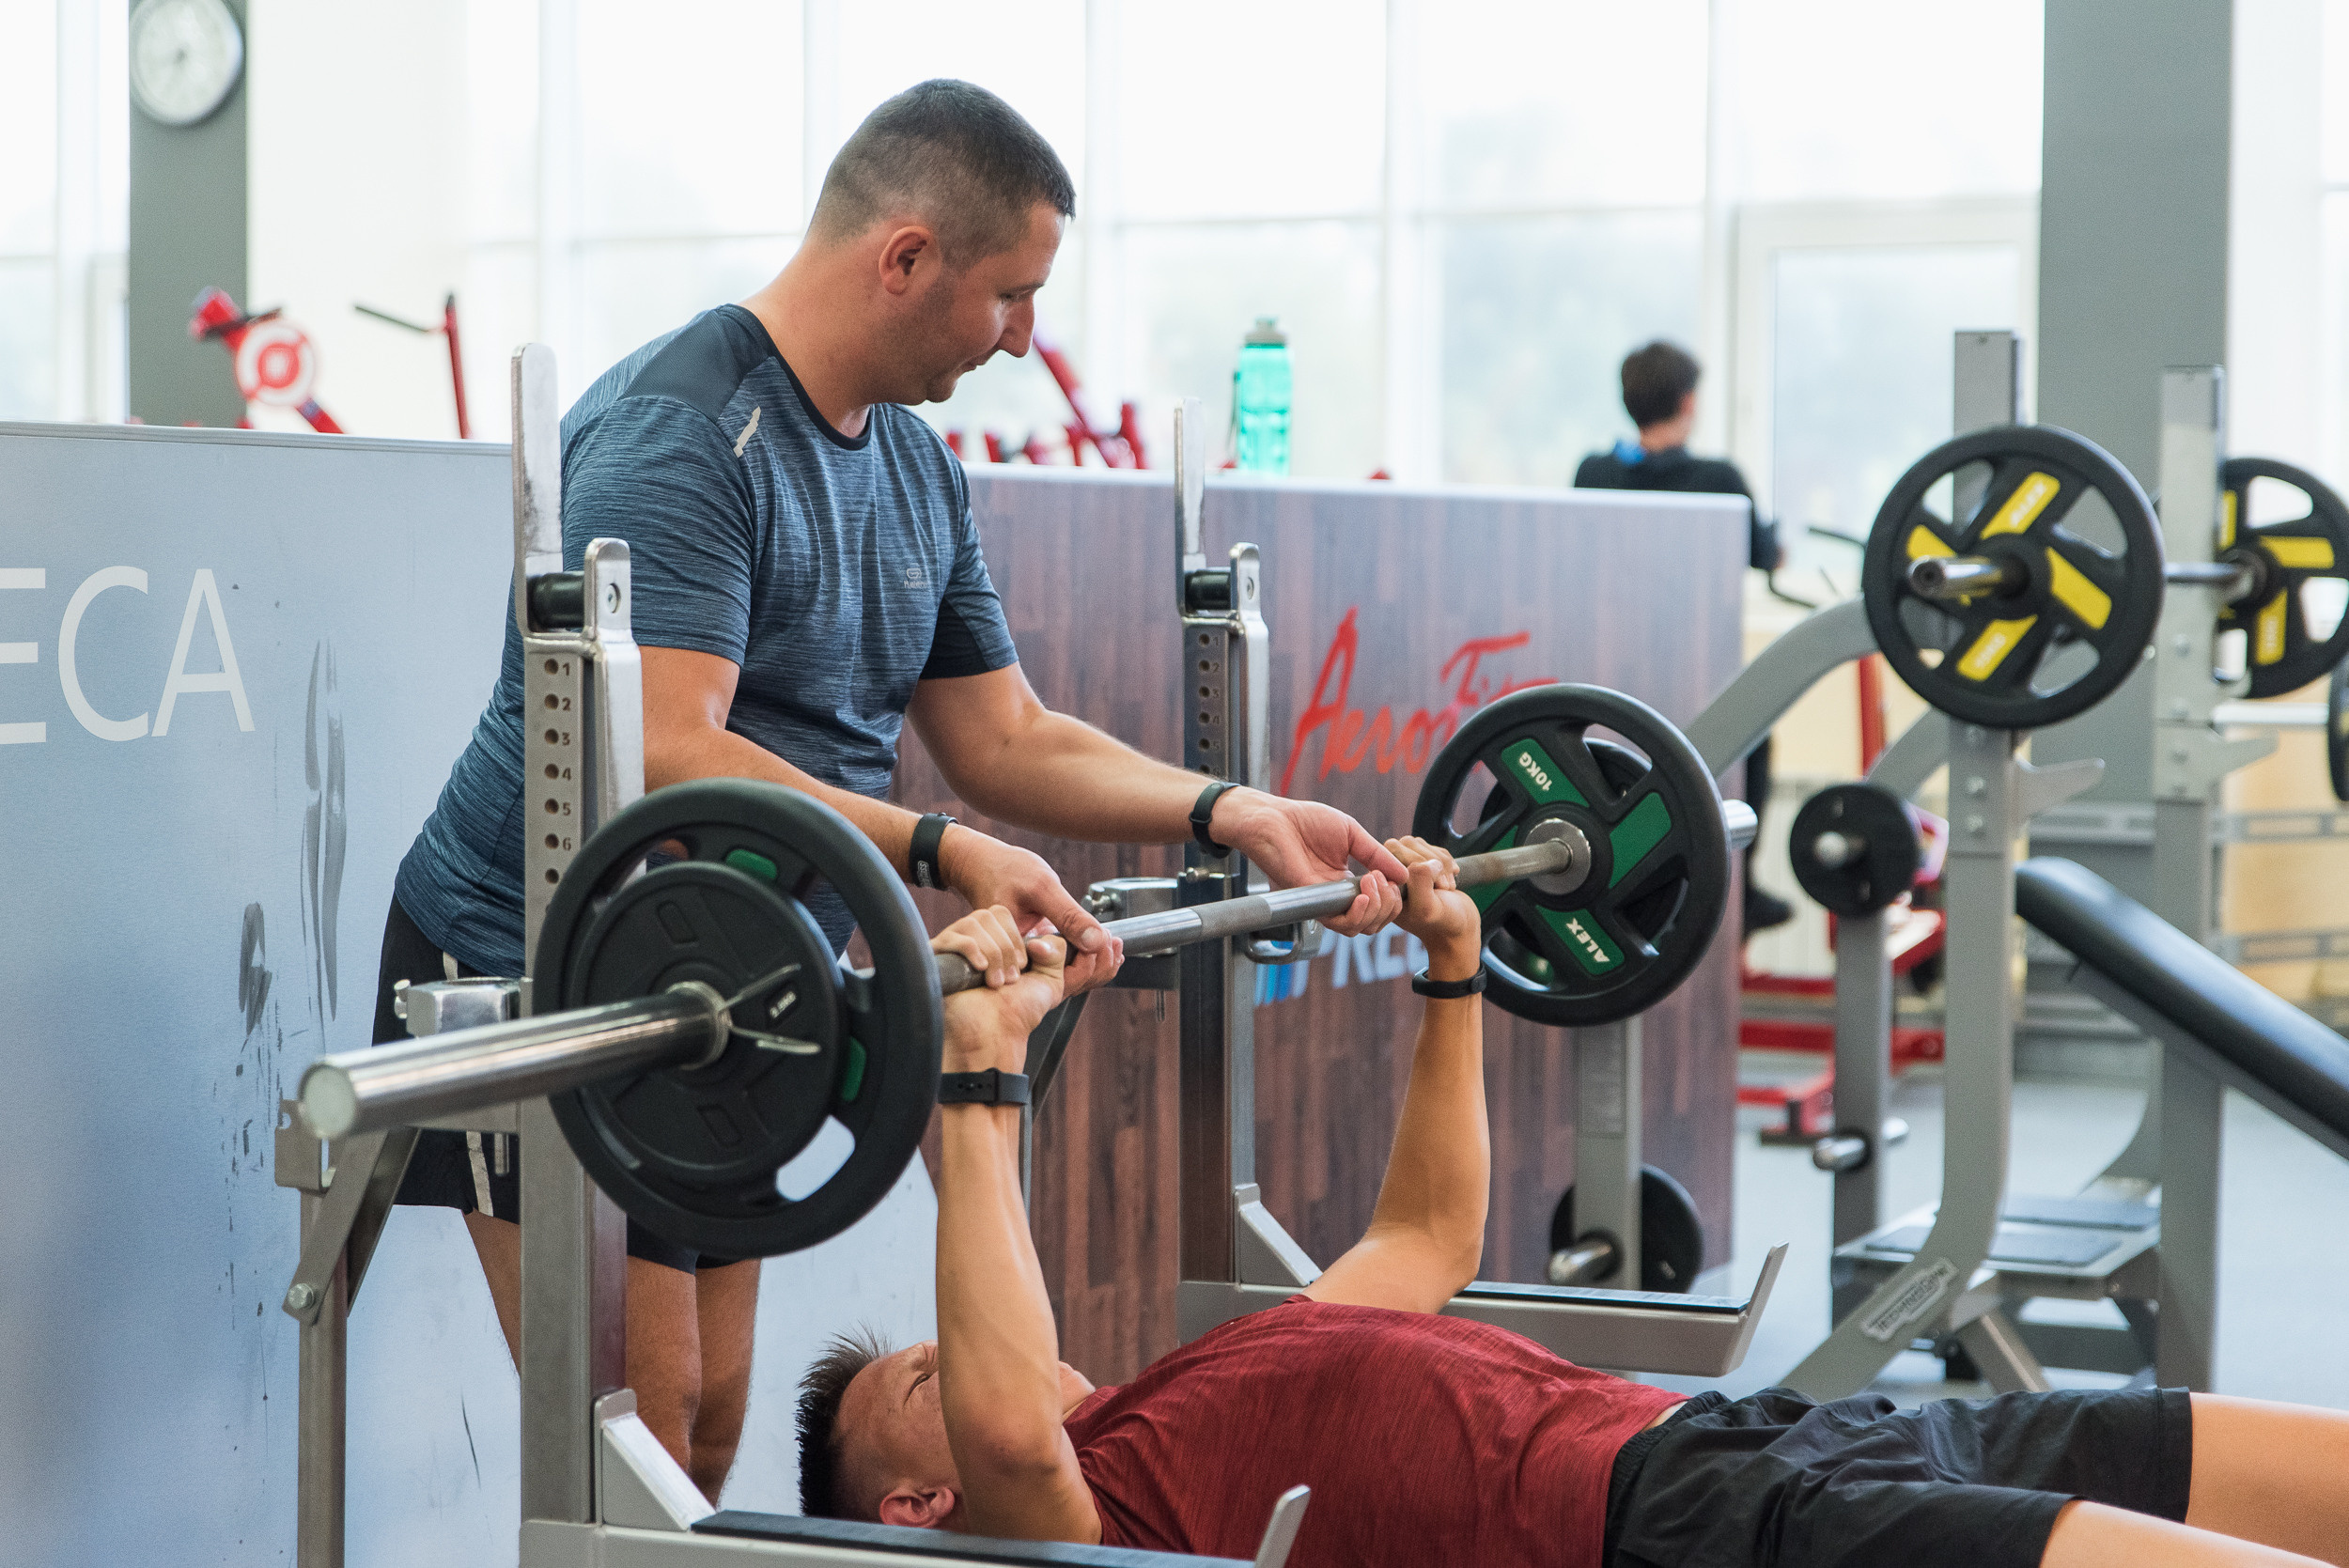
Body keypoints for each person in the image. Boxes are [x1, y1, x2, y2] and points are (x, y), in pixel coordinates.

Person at [374, 78, 1409, 1503]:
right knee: (638, 1444)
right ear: (906, 258)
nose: (1024, 337)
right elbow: (666, 746)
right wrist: (938, 850)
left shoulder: (915, 466)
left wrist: (1228, 812)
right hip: (543, 953)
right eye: (1009, 295)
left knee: (716, 1425)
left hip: (736, 961)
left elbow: (1006, 732)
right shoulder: (686, 436)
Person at [799, 842, 2349, 1568]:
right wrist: (978, 1071)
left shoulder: (1194, 1388)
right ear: (916, 1506)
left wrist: (1456, 966)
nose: (970, 1357)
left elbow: (1424, 1241)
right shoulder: (1090, 1515)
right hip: (1707, 1529)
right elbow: (1010, 1428)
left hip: (1769, 1433)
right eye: (923, 1369)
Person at [1577, 339, 1791, 937]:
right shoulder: (1719, 479)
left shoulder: (1593, 473)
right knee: (1756, 740)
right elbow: (1763, 555)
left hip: (1611, 666)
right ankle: (1741, 892)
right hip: (1699, 667)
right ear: (1689, 401)